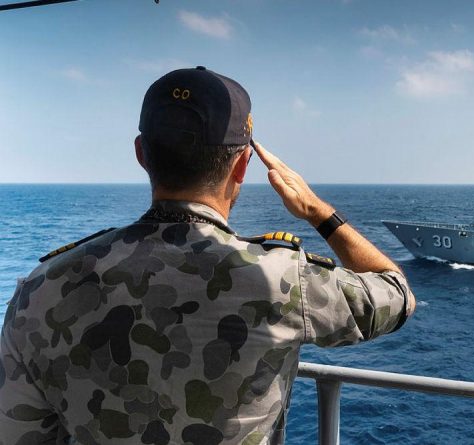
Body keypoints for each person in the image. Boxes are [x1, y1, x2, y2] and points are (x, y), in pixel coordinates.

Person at [0, 66, 415, 445]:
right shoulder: (283, 280)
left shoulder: (41, 289)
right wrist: (318, 212)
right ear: (242, 166)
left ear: (142, 153)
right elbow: (396, 294)